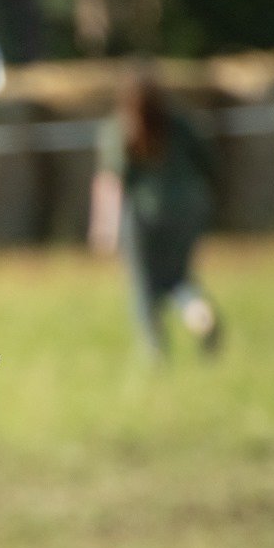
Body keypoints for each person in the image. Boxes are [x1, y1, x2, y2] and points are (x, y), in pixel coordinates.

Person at [90, 70, 221, 358]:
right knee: (179, 278)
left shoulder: (120, 128)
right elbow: (207, 163)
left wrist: (104, 229)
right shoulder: (179, 124)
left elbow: (111, 181)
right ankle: (199, 313)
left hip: (143, 216)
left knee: (143, 286)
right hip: (189, 209)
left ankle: (155, 351)